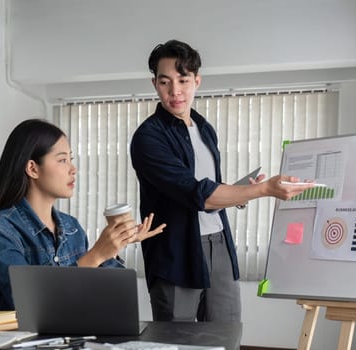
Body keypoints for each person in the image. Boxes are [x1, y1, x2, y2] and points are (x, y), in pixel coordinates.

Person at [130, 39, 313, 322]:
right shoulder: (148, 138)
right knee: (176, 342)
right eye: (165, 82)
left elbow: (208, 191)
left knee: (226, 335)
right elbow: (194, 193)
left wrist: (242, 189)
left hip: (218, 244)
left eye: (183, 80)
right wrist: (260, 190)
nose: (175, 91)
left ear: (197, 81)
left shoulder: (204, 129)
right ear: (155, 84)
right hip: (176, 252)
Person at [0, 119, 166, 311]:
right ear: (32, 168)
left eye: (71, 159)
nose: (73, 169)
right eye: (62, 160)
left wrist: (115, 246)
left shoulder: (71, 227)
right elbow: (30, 304)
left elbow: (106, 296)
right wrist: (95, 256)